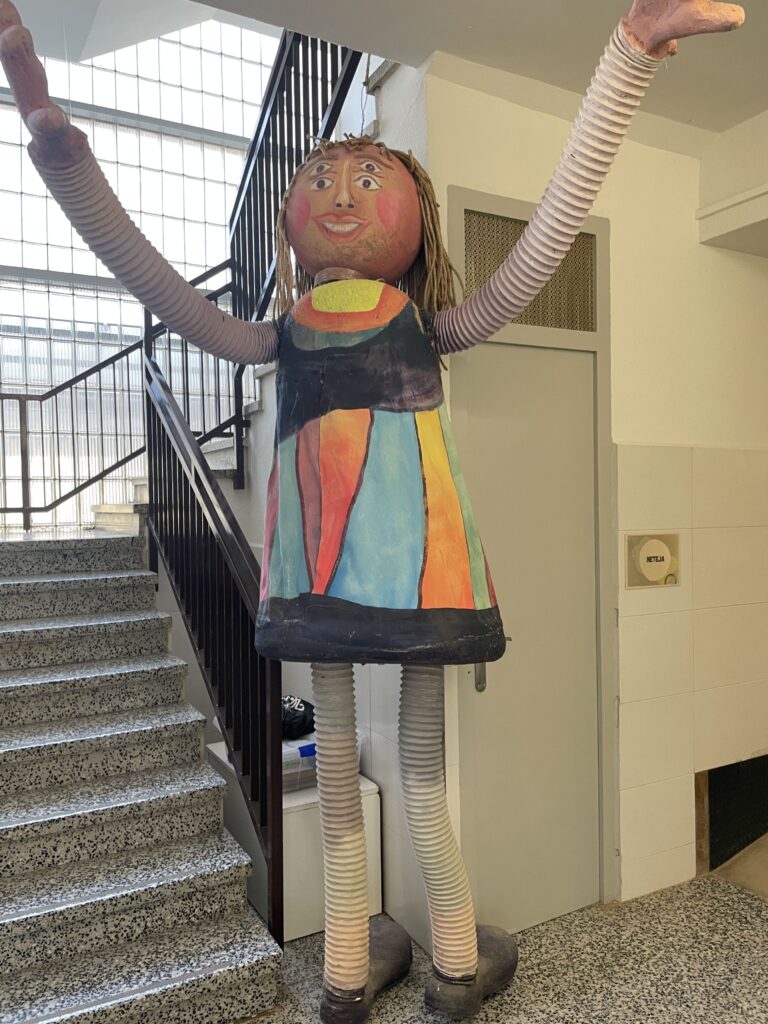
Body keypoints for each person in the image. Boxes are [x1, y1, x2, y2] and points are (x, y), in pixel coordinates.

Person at [0, 2, 745, 1021]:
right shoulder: (372, 330)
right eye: (320, 179)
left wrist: (627, 54)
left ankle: (349, 979)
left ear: (414, 222)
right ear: (290, 219)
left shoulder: (338, 332)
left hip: (320, 579)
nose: (340, 192)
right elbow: (156, 278)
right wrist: (51, 135)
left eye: (366, 177)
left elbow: (547, 232)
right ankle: (449, 969)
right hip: (421, 575)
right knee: (416, 777)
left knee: (368, 781)